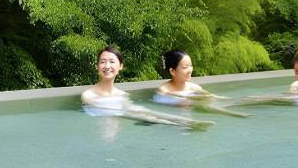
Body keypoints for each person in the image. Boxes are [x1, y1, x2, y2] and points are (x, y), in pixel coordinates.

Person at [81, 46, 214, 129]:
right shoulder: (88, 95)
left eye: (112, 62)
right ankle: (181, 124)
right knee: (147, 117)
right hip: (115, 116)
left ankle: (186, 122)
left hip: (122, 114)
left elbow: (129, 108)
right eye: (103, 62)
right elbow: (104, 111)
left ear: (120, 66)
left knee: (149, 113)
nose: (107, 66)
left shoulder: (122, 94)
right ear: (97, 66)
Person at [153, 50, 249, 117]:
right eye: (185, 67)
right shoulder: (164, 89)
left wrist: (224, 99)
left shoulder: (195, 87)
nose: (190, 70)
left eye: (191, 66)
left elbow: (210, 97)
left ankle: (229, 112)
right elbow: (162, 98)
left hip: (192, 109)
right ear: (172, 71)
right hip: (174, 112)